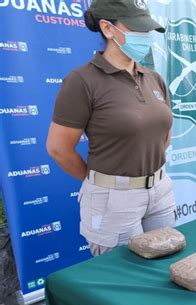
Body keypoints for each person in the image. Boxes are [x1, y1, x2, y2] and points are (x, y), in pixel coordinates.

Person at [46, 0, 176, 256]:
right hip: (113, 199)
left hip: (160, 192)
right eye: (137, 29)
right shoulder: (82, 81)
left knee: (164, 270)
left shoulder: (154, 78)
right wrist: (102, 183)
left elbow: (164, 135)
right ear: (107, 28)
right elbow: (58, 148)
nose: (144, 36)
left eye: (146, 29)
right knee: (125, 280)